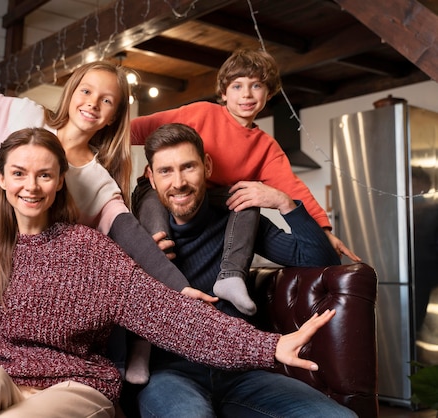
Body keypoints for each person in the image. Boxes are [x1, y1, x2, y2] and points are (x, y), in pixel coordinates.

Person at [0, 127, 337, 418]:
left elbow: (169, 314)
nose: (30, 186)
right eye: (18, 174)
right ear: (0, 180)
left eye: (44, 175)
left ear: (59, 183)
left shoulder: (89, 250)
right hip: (8, 382)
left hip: (74, 390)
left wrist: (269, 346)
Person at [0, 23, 212, 378]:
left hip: (37, 261)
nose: (92, 103)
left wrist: (180, 287)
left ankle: (115, 368)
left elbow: (133, 238)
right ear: (72, 91)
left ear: (114, 116)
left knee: (114, 276)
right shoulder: (23, 115)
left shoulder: (98, 181)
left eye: (106, 100)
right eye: (87, 91)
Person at [126, 122, 356, 418]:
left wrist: (284, 203)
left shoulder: (236, 223)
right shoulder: (135, 234)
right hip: (171, 374)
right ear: (151, 178)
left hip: (242, 371)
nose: (179, 182)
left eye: (188, 167)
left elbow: (322, 260)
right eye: (166, 171)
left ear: (207, 166)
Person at [130, 48, 360, 317]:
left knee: (247, 197)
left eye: (257, 86)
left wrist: (323, 228)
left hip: (216, 201)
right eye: (237, 86)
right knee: (153, 229)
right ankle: (155, 269)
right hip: (157, 199)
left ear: (269, 94)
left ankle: (230, 276)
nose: (247, 94)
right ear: (224, 93)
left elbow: (293, 189)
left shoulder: (265, 147)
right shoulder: (201, 113)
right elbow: (137, 129)